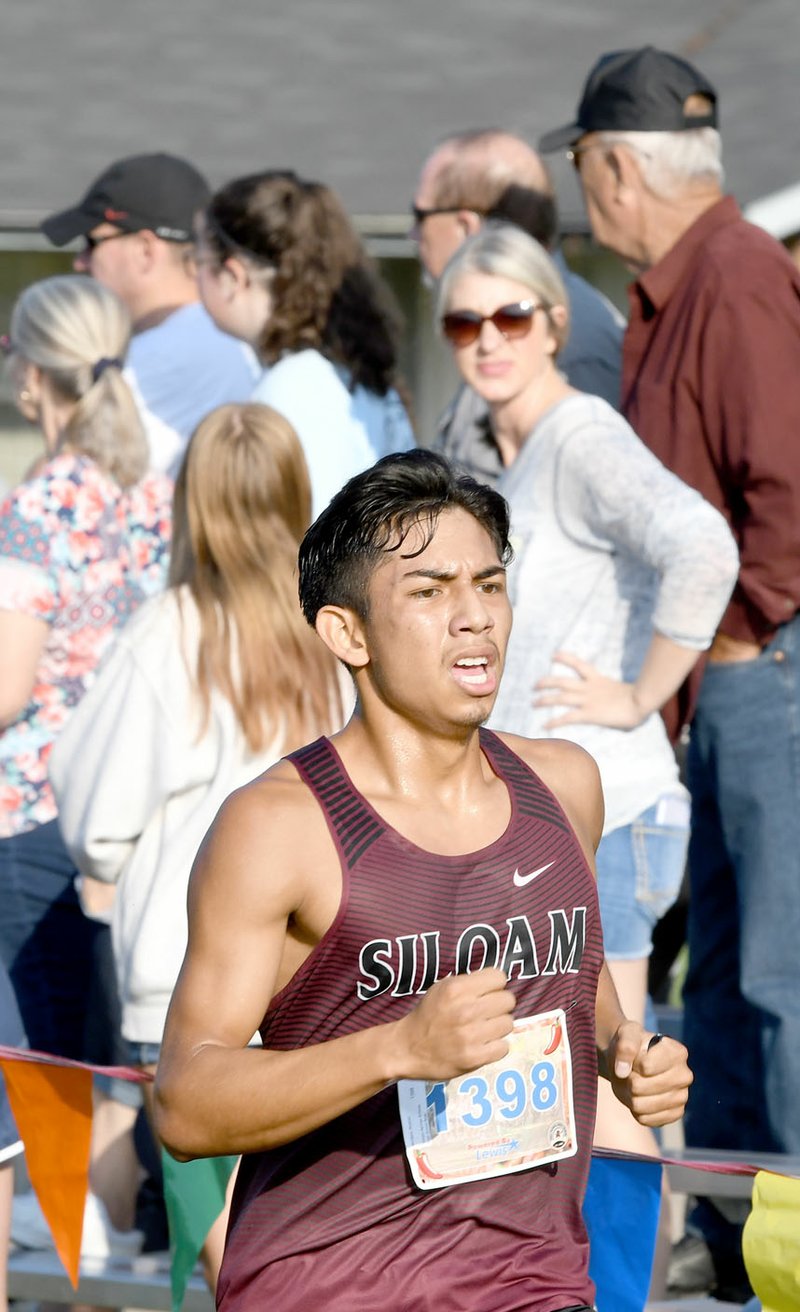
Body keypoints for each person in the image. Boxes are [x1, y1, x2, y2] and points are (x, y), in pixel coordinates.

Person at [153, 449, 692, 1312]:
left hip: (535, 1283)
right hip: (331, 1287)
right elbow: (184, 1103)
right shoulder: (278, 827)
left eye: (488, 584)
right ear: (348, 633)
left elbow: (570, 992)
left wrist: (627, 1054)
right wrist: (398, 1050)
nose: (474, 617)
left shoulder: (565, 787)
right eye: (431, 592)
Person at [539, 45, 800, 1301]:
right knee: (736, 987)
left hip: (767, 671)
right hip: (729, 684)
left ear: (617, 166)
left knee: (776, 979)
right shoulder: (683, 283)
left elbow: (788, 497)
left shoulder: (737, 278)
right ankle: (750, 1243)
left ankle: (790, 1252)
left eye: (584, 166)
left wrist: (720, 644)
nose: (585, 191)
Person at [436, 224, 737, 1292]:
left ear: (553, 322)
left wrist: (641, 694)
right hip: (548, 806)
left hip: (610, 798)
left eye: (508, 315)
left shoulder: (577, 432)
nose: (486, 339)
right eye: (462, 320)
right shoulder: (490, 446)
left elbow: (701, 541)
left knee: (610, 1063)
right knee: (558, 1064)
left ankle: (619, 1294)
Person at [50, 401, 347, 1287]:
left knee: (218, 1240)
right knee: (293, 1217)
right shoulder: (333, 630)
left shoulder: (167, 633)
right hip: (315, 961)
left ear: (193, 506)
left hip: (186, 974)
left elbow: (95, 815)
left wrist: (106, 873)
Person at [0, 273, 171, 1062]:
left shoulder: (37, 509)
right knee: (97, 1071)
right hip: (125, 804)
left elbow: (7, 689)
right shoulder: (154, 491)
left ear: (31, 374)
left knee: (38, 1077)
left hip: (30, 812)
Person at [193, 169, 415, 517]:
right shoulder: (340, 370)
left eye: (201, 262)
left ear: (233, 276)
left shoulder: (293, 390)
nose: (195, 277)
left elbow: (293, 541)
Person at [411, 129, 624, 484]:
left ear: (466, 227)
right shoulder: (522, 324)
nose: (414, 235)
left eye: (420, 216)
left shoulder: (579, 345)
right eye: (462, 325)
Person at [42, 152, 259, 476]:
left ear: (145, 251)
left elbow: (70, 490)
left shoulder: (140, 366)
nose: (80, 262)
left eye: (92, 242)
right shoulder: (237, 341)